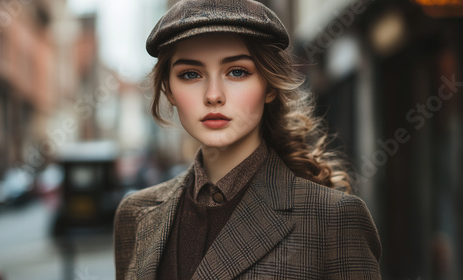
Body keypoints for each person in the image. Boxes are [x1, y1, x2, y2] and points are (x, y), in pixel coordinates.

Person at [114, 0, 381, 279]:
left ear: (269, 86)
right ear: (168, 90)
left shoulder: (333, 219)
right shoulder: (136, 215)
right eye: (190, 74)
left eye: (237, 72)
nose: (213, 95)